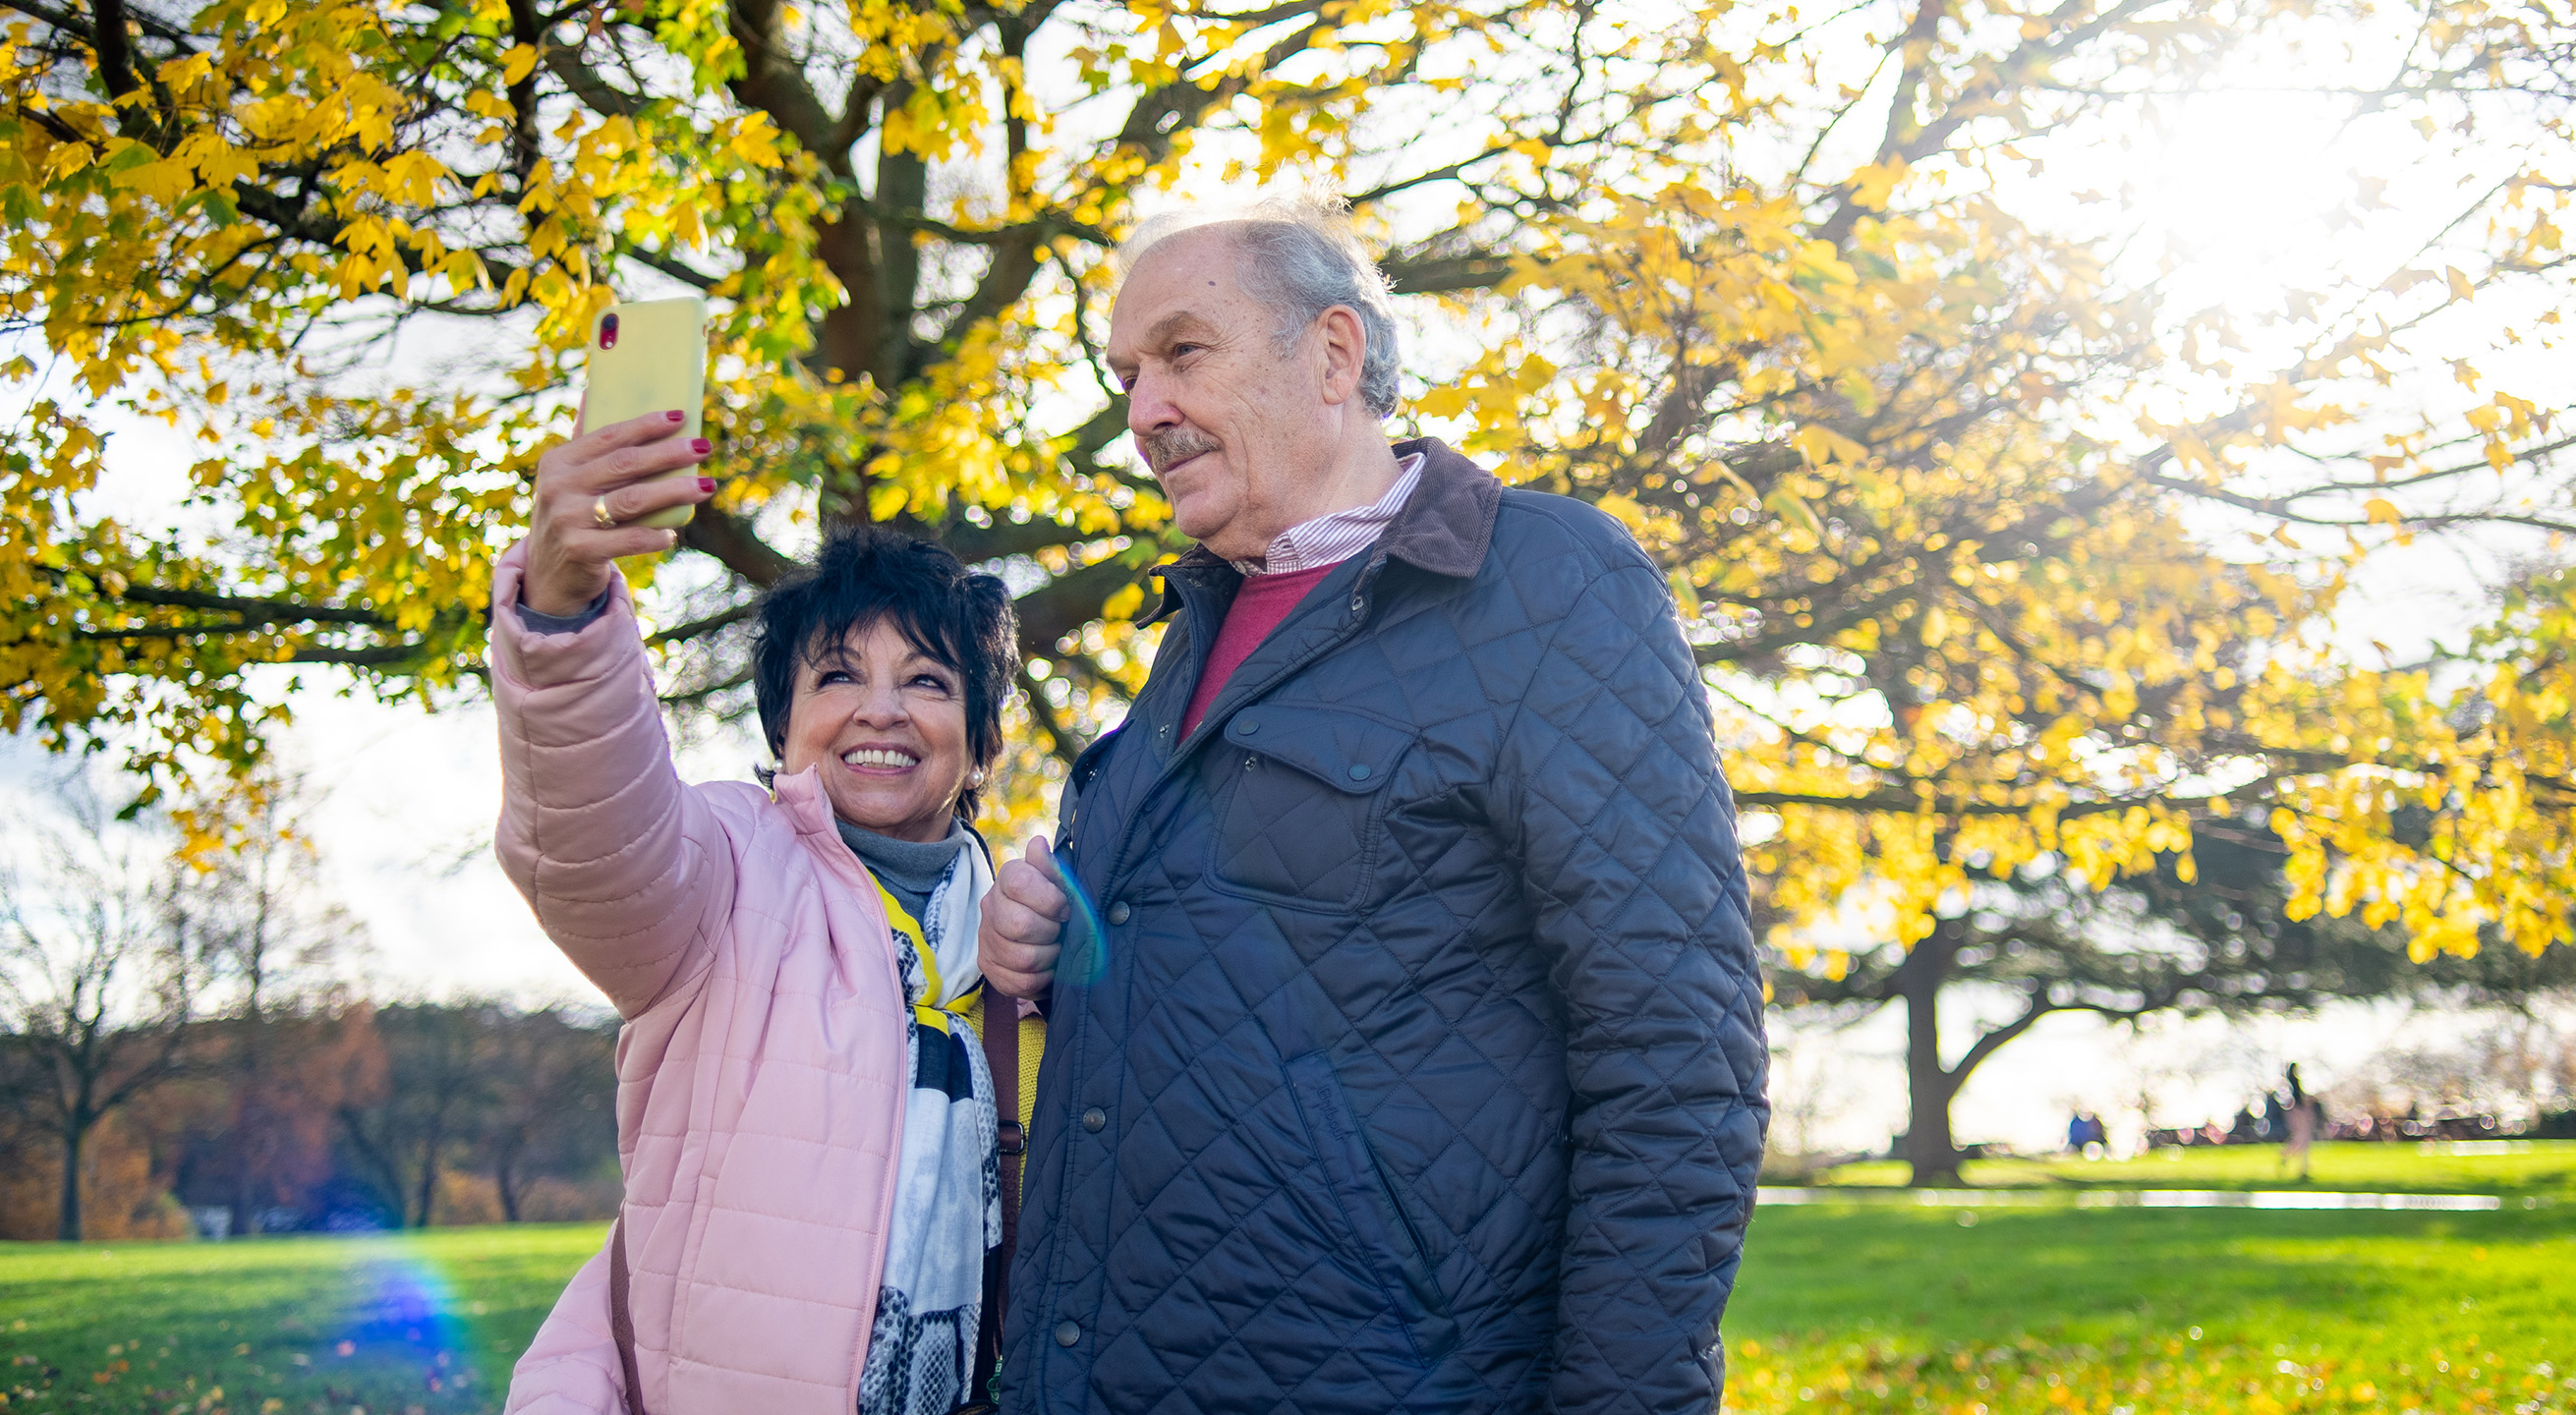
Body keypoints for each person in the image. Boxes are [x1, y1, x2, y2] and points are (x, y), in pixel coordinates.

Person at [978, 196, 1769, 1414]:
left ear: (1335, 355)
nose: (1141, 412)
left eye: (1183, 354)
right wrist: (1039, 955)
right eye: (1129, 374)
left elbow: (1676, 1056)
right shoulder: (1182, 639)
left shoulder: (1549, 585)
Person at [488, 422, 1032, 1415]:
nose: (884, 710)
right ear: (783, 723)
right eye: (838, 676)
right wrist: (563, 621)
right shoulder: (728, 868)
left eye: (927, 681)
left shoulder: (1015, 928)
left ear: (979, 737)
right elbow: (597, 841)